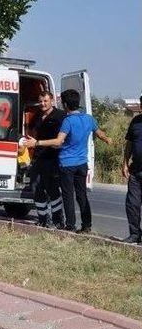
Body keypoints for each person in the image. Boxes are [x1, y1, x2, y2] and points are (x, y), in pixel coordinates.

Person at [25, 89, 112, 233]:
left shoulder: (67, 121)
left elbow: (58, 141)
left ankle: (70, 225)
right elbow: (99, 133)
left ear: (64, 104)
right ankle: (86, 225)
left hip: (67, 164)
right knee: (82, 195)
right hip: (82, 164)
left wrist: (37, 143)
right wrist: (108, 139)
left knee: (68, 195)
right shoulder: (89, 119)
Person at [27, 91, 66, 228]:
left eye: (45, 101)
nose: (43, 104)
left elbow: (63, 138)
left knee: (53, 189)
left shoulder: (60, 116)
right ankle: (43, 218)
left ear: (52, 101)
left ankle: (58, 220)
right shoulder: (37, 115)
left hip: (53, 158)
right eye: (41, 101)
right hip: (38, 158)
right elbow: (31, 130)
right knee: (36, 187)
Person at [121, 94, 142, 244]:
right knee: (132, 204)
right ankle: (134, 234)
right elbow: (129, 144)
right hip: (136, 171)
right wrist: (125, 163)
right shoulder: (135, 121)